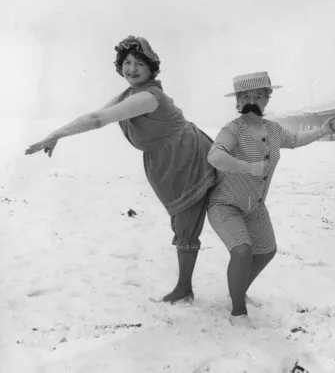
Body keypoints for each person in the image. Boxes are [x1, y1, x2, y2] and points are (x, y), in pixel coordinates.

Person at [25, 36, 216, 304]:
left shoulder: (149, 97)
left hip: (188, 157)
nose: (132, 68)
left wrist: (56, 133)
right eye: (126, 62)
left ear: (151, 68)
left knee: (188, 223)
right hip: (166, 161)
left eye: (139, 63)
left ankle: (184, 288)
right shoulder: (129, 94)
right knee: (183, 221)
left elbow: (98, 120)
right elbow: (93, 115)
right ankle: (186, 286)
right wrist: (59, 134)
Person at [207, 71, 335, 328]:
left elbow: (296, 139)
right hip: (225, 205)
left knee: (266, 251)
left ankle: (238, 288)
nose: (252, 100)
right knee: (243, 251)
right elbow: (214, 156)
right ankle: (237, 311)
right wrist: (248, 167)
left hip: (254, 206)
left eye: (258, 95)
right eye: (246, 95)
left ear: (267, 98)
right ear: (237, 100)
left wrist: (324, 129)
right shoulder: (232, 130)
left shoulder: (273, 130)